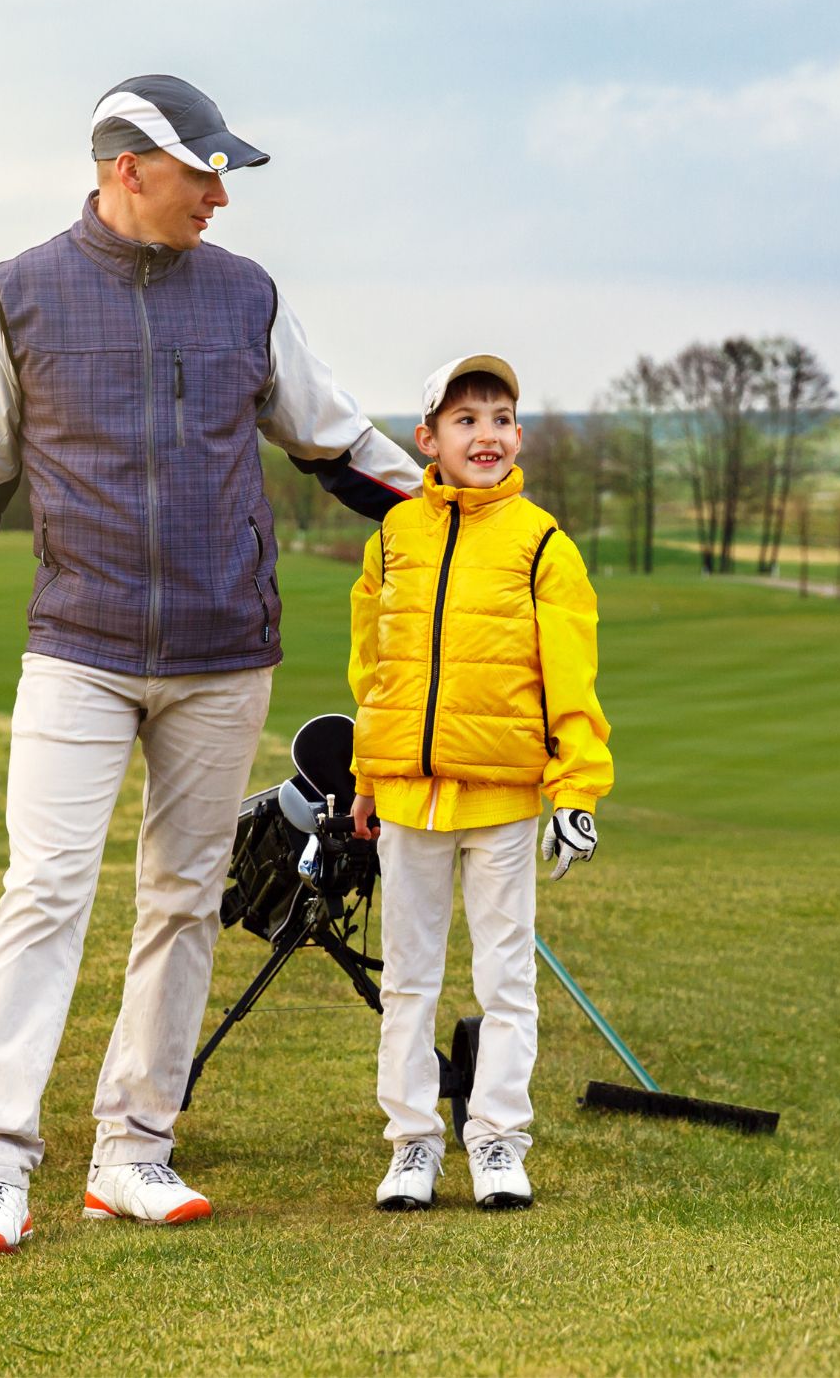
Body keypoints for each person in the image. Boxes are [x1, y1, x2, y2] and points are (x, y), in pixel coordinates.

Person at [0, 75, 423, 1261]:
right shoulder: (14, 296)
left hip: (226, 655)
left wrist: (457, 509)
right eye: (200, 174)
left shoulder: (246, 295)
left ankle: (132, 1151)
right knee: (45, 892)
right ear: (128, 168)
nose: (220, 196)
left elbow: (333, 437)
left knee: (180, 899)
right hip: (82, 649)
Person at [345, 354, 612, 1212]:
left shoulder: (543, 543)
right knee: (408, 981)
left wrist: (577, 791)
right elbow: (373, 674)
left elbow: (573, 680)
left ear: (519, 436)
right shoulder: (390, 540)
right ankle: (411, 1145)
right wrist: (364, 779)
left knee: (506, 981)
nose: (486, 433)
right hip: (408, 801)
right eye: (466, 419)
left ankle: (497, 1141)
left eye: (500, 417)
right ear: (427, 439)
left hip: (501, 800)